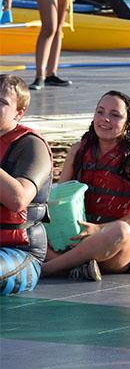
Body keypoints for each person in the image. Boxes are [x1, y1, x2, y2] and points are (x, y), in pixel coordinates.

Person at [43, 91, 130, 281]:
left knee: (121, 231)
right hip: (75, 237)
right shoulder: (78, 151)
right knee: (28, 219)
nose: (105, 119)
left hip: (114, 247)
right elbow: (58, 200)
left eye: (115, 115)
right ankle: (76, 266)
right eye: (100, 112)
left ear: (128, 123)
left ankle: (48, 269)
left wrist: (99, 229)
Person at [0, 75, 50, 295]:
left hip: (19, 253)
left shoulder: (32, 146)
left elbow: (18, 199)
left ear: (19, 113)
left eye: (2, 102)